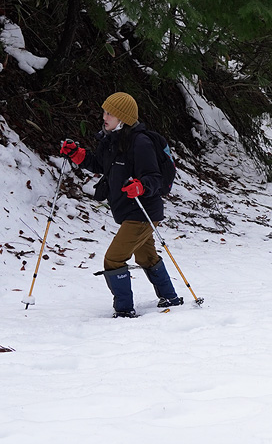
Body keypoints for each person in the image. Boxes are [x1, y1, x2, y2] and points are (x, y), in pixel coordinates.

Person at [59, 92, 182, 317]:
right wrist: (77, 154)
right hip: (128, 211)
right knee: (146, 257)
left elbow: (154, 178)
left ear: (123, 118)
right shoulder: (111, 139)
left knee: (114, 258)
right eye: (104, 111)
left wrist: (140, 186)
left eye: (110, 113)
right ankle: (170, 297)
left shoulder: (141, 142)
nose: (104, 117)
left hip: (142, 212)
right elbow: (99, 163)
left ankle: (124, 310)